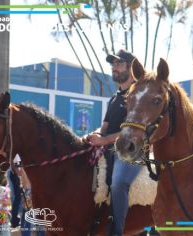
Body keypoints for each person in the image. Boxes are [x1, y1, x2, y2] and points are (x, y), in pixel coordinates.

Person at [85, 49, 141, 235]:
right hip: (109, 148)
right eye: (113, 64)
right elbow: (105, 127)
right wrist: (92, 136)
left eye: (119, 64)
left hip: (131, 151)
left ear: (131, 67)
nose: (114, 68)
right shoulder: (115, 98)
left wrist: (104, 140)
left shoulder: (138, 95)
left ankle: (117, 231)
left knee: (118, 183)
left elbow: (132, 130)